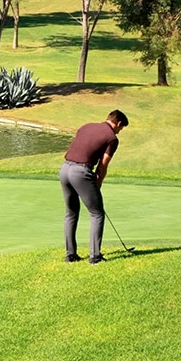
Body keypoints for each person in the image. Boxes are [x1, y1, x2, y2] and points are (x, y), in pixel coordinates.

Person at [60, 109, 126, 264]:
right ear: (119, 123)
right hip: (81, 172)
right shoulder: (112, 138)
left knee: (71, 213)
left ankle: (70, 255)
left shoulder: (86, 126)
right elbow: (102, 166)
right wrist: (98, 183)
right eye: (121, 128)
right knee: (97, 213)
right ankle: (95, 257)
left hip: (64, 170)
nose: (119, 131)